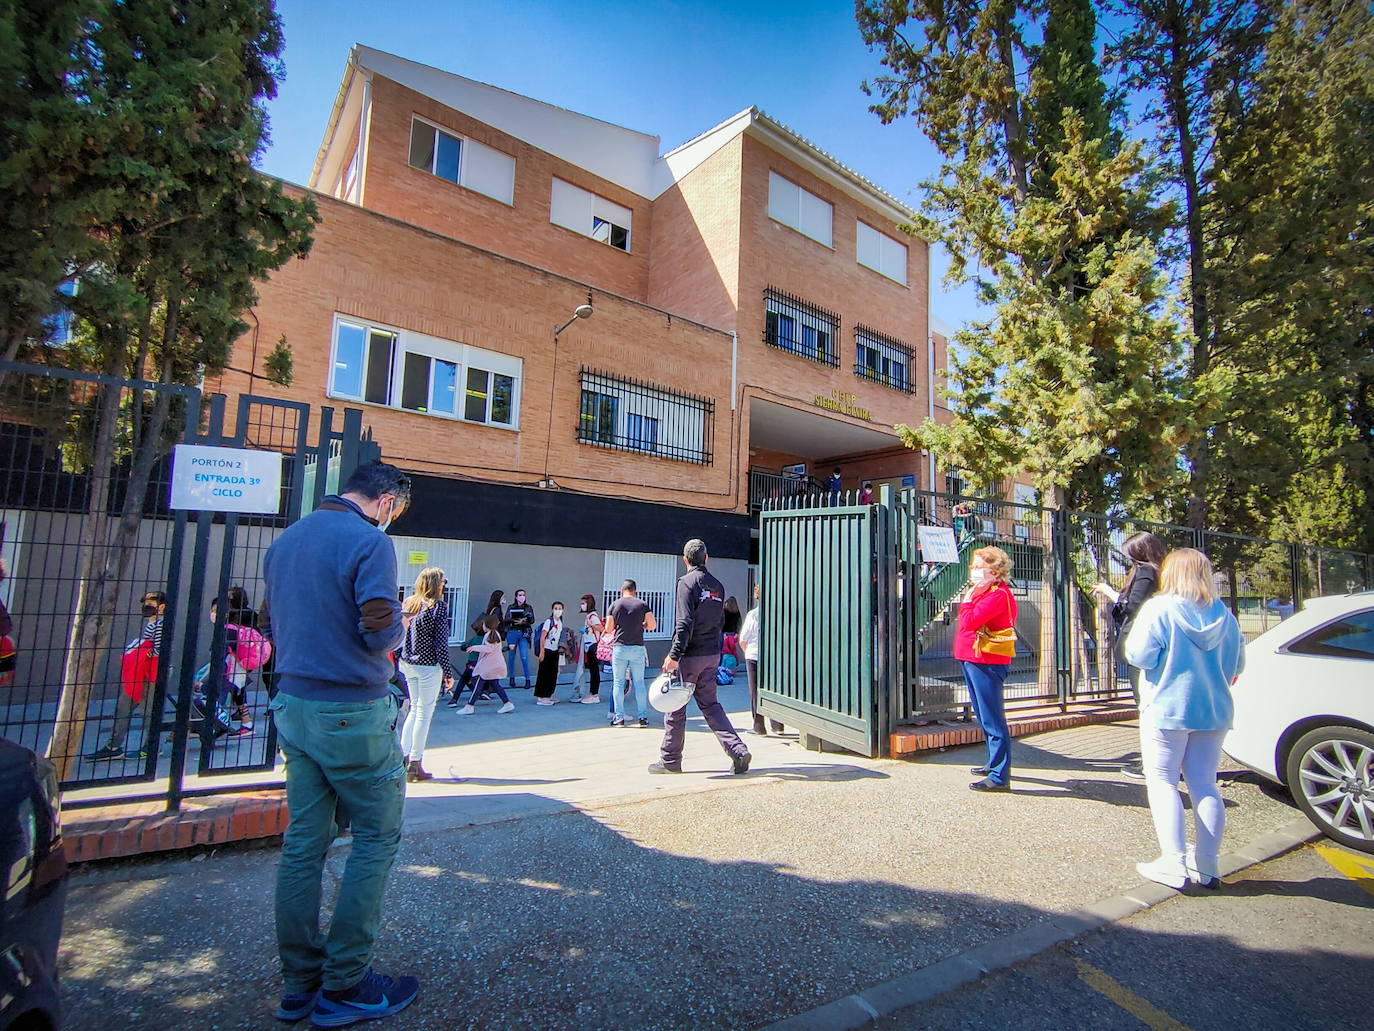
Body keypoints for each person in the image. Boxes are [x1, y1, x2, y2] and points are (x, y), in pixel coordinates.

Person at [260, 460, 419, 1025]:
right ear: (385, 501)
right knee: (377, 834)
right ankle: (346, 983)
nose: (391, 521)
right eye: (395, 513)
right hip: (350, 708)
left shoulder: (286, 542)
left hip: (293, 706)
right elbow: (379, 626)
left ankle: (299, 983)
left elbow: (269, 622)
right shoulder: (368, 541)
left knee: (304, 843)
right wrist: (399, 627)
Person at [1124, 548, 1245, 890]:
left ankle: (1172, 862)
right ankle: (1207, 866)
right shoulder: (1225, 616)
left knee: (1162, 781)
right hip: (1214, 709)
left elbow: (1139, 655)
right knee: (1205, 783)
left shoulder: (1159, 609)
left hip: (1167, 707)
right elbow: (1237, 667)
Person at [650, 539, 751, 775]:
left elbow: (684, 622)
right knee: (711, 705)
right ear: (706, 558)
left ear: (685, 560)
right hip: (711, 654)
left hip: (689, 656)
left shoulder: (686, 583)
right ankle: (737, 750)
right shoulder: (717, 586)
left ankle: (670, 760)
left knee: (675, 707)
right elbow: (719, 621)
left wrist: (674, 655)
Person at [1092, 531, 1167, 779]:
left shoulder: (1146, 571)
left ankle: (1152, 764)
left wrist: (1110, 593)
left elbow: (1132, 608)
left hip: (1142, 644)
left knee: (1144, 704)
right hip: (1155, 644)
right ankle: (1160, 762)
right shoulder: (1162, 572)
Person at [954, 546, 1018, 792]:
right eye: (973, 566)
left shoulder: (998, 594)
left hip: (987, 660)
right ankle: (993, 762)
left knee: (992, 718)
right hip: (973, 657)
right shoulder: (984, 591)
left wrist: (968, 600)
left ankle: (1000, 776)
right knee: (983, 714)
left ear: (994, 570)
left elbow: (970, 621)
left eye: (979, 566)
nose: (974, 570)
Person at [89, 590, 166, 761]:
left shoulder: (160, 624)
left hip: (150, 673)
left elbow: (158, 650)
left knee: (147, 711)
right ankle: (114, 745)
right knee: (124, 707)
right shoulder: (152, 623)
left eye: (150, 603)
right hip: (140, 672)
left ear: (162, 607)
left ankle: (151, 746)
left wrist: (136, 654)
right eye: (144, 603)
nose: (146, 606)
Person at [397, 567, 455, 783]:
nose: (444, 585)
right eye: (442, 581)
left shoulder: (410, 603)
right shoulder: (438, 608)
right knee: (424, 713)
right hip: (429, 664)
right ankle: (416, 763)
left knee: (414, 709)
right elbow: (441, 642)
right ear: (434, 584)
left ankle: (402, 758)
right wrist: (448, 673)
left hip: (408, 661)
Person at [605, 579, 656, 727]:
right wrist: (643, 624)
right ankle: (643, 718)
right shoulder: (642, 604)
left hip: (620, 648)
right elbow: (652, 625)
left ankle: (619, 718)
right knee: (639, 683)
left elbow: (608, 628)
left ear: (622, 589)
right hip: (637, 648)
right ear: (635, 590)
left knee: (618, 683)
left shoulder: (614, 604)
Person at [739, 583, 783, 736]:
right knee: (774, 689)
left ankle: (759, 726)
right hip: (773, 655)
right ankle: (778, 725)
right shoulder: (778, 613)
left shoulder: (754, 614)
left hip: (754, 654)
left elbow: (743, 638)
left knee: (755, 691)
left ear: (756, 595)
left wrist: (746, 651)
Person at [456, 615, 515, 715]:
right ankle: (507, 703)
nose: (482, 625)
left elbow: (489, 648)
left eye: (483, 623)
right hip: (494, 665)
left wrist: (474, 647)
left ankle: (469, 706)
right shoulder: (495, 634)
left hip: (488, 666)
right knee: (495, 684)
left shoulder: (489, 635)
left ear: (487, 625)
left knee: (478, 685)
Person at [533, 601, 570, 705]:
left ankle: (549, 694)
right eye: (556, 608)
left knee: (553, 674)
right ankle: (541, 696)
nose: (558, 610)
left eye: (560, 608)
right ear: (552, 610)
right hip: (547, 650)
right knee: (544, 673)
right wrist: (542, 651)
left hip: (555, 651)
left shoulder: (560, 622)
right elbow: (542, 637)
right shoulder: (549, 622)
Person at [571, 594, 605, 705]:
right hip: (588, 645)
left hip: (593, 645)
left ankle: (594, 694)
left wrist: (592, 625)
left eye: (584, 603)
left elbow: (601, 628)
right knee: (592, 670)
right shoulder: (589, 616)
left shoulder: (592, 616)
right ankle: (592, 693)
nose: (582, 605)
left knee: (594, 671)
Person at [504, 589, 535, 689]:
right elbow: (506, 619)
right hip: (512, 633)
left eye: (523, 595)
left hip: (523, 633)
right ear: (516, 597)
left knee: (524, 657)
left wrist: (524, 619)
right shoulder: (511, 607)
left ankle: (527, 679)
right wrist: (515, 620)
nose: (522, 597)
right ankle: (512, 678)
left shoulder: (528, 607)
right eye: (520, 595)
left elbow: (532, 620)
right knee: (511, 657)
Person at [721, 596, 742, 660]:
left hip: (724, 634)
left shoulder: (724, 611)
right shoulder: (737, 612)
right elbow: (739, 623)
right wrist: (737, 633)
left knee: (724, 651)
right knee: (733, 651)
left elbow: (721, 622)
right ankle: (734, 663)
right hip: (733, 634)